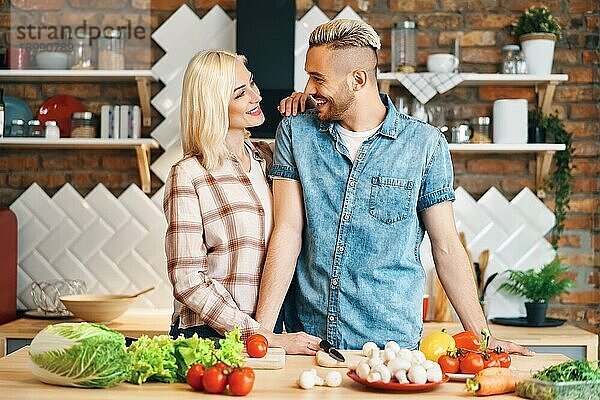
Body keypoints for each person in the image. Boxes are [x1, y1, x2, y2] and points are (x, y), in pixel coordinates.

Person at [255, 20, 533, 354]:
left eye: (318, 78)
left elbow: (445, 246)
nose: (309, 88)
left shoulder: (425, 144)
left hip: (392, 346)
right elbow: (287, 231)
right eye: (309, 75)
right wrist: (263, 335)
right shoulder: (296, 134)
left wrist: (482, 338)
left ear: (358, 79)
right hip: (310, 341)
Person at [164, 49, 320, 354]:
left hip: (270, 331)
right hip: (207, 337)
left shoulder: (269, 157)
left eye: (252, 83)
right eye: (241, 93)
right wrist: (258, 334)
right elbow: (187, 279)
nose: (256, 96)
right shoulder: (188, 174)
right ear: (214, 106)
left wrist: (311, 112)